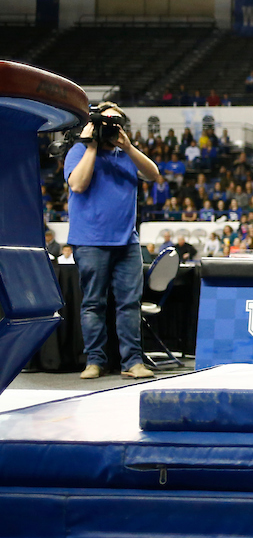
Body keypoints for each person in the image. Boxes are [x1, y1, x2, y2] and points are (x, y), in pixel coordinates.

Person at [64, 102, 159, 379]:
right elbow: (78, 185)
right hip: (90, 241)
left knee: (129, 304)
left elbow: (153, 174)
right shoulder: (79, 151)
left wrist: (128, 147)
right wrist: (91, 145)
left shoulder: (127, 154)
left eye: (115, 123)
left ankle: (132, 362)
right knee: (94, 303)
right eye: (105, 122)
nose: (110, 128)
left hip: (127, 242)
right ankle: (94, 361)